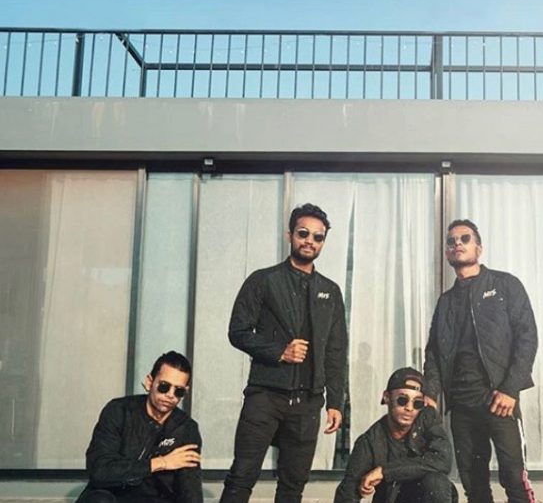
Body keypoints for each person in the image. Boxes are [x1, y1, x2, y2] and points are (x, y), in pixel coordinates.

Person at [220, 203, 348, 503]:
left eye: (317, 237)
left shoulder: (330, 290)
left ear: (323, 242)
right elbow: (237, 331)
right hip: (265, 395)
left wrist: (335, 402)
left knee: (293, 486)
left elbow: (336, 350)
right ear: (290, 235)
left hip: (308, 402)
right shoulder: (263, 280)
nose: (310, 241)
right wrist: (280, 352)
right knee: (242, 476)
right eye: (303, 233)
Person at [424, 219, 538, 503]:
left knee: (514, 478)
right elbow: (434, 351)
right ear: (447, 252)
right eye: (451, 241)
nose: (457, 244)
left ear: (479, 247)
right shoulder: (446, 301)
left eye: (465, 238)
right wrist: (430, 394)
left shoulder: (505, 285)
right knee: (473, 484)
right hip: (461, 405)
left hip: (499, 400)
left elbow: (527, 337)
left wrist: (510, 389)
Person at [76, 351, 202, 503]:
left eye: (178, 391)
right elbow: (99, 470)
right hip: (112, 496)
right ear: (149, 382)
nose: (170, 394)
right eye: (164, 386)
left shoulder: (187, 428)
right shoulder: (119, 411)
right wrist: (160, 463)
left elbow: (190, 488)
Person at [334, 367, 455, 503]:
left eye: (417, 403)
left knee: (437, 482)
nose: (409, 408)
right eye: (402, 400)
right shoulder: (370, 441)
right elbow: (347, 492)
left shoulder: (428, 423)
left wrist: (384, 472)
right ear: (387, 397)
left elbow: (443, 460)